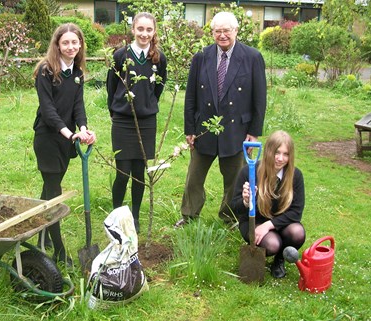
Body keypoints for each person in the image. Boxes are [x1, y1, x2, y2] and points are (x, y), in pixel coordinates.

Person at [175, 11, 267, 227]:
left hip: (237, 130)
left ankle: (230, 217)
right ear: (212, 32)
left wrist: (253, 132)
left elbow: (259, 98)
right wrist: (190, 128)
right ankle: (189, 216)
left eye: (227, 30)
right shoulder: (201, 57)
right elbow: (191, 96)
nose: (223, 35)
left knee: (235, 180)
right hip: (204, 130)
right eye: (218, 31)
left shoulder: (252, 57)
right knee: (194, 178)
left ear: (236, 31)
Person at [32, 23, 96, 266]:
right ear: (57, 45)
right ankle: (58, 250)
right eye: (66, 42)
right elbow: (48, 111)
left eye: (75, 42)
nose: (71, 46)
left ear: (80, 45)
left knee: (50, 189)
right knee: (55, 194)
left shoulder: (77, 72)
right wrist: (71, 135)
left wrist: (83, 129)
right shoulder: (46, 71)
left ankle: (41, 233)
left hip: (67, 138)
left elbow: (78, 106)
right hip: (48, 139)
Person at [106, 12, 167, 234]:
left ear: (154, 31)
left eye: (149, 30)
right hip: (123, 121)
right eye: (140, 29)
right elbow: (111, 85)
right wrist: (116, 109)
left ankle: (135, 216)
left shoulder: (158, 58)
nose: (144, 33)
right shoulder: (121, 55)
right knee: (123, 172)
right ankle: (115, 217)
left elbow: (159, 86)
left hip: (146, 122)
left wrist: (147, 104)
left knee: (139, 174)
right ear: (133, 29)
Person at [230, 130, 306, 278]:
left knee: (297, 233)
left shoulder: (295, 176)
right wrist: (246, 202)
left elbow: (296, 213)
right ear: (268, 151)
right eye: (277, 153)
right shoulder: (249, 172)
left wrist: (269, 225)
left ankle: (279, 260)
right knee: (273, 244)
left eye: (286, 154)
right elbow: (234, 206)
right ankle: (269, 251)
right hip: (254, 221)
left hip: (280, 222)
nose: (280, 158)